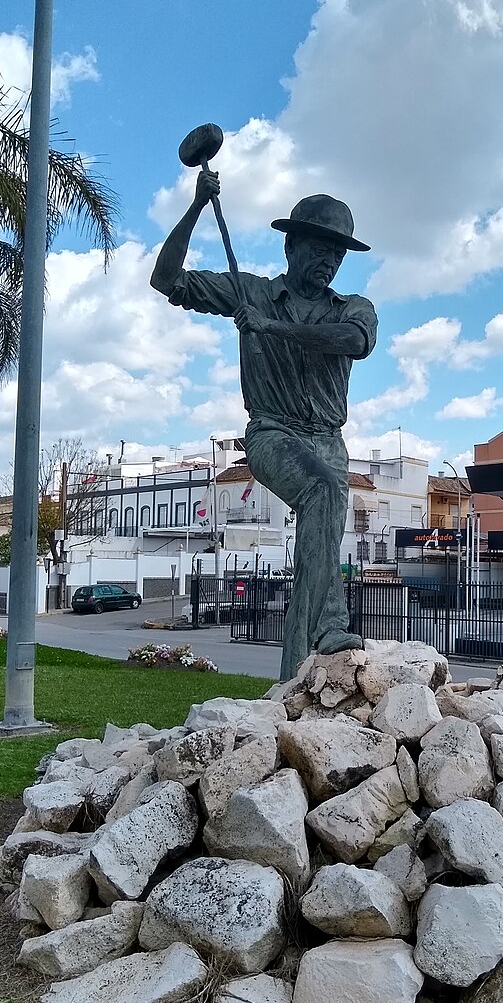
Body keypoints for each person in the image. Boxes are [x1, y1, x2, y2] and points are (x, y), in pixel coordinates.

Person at [150, 168, 377, 680]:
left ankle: (302, 661)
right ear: (291, 246)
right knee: (323, 492)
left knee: (321, 534)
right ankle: (322, 634)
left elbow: (355, 342)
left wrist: (272, 327)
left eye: (338, 254)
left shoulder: (353, 308)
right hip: (273, 432)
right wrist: (196, 207)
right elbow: (167, 279)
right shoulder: (249, 292)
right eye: (320, 249)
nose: (329, 261)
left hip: (329, 440)